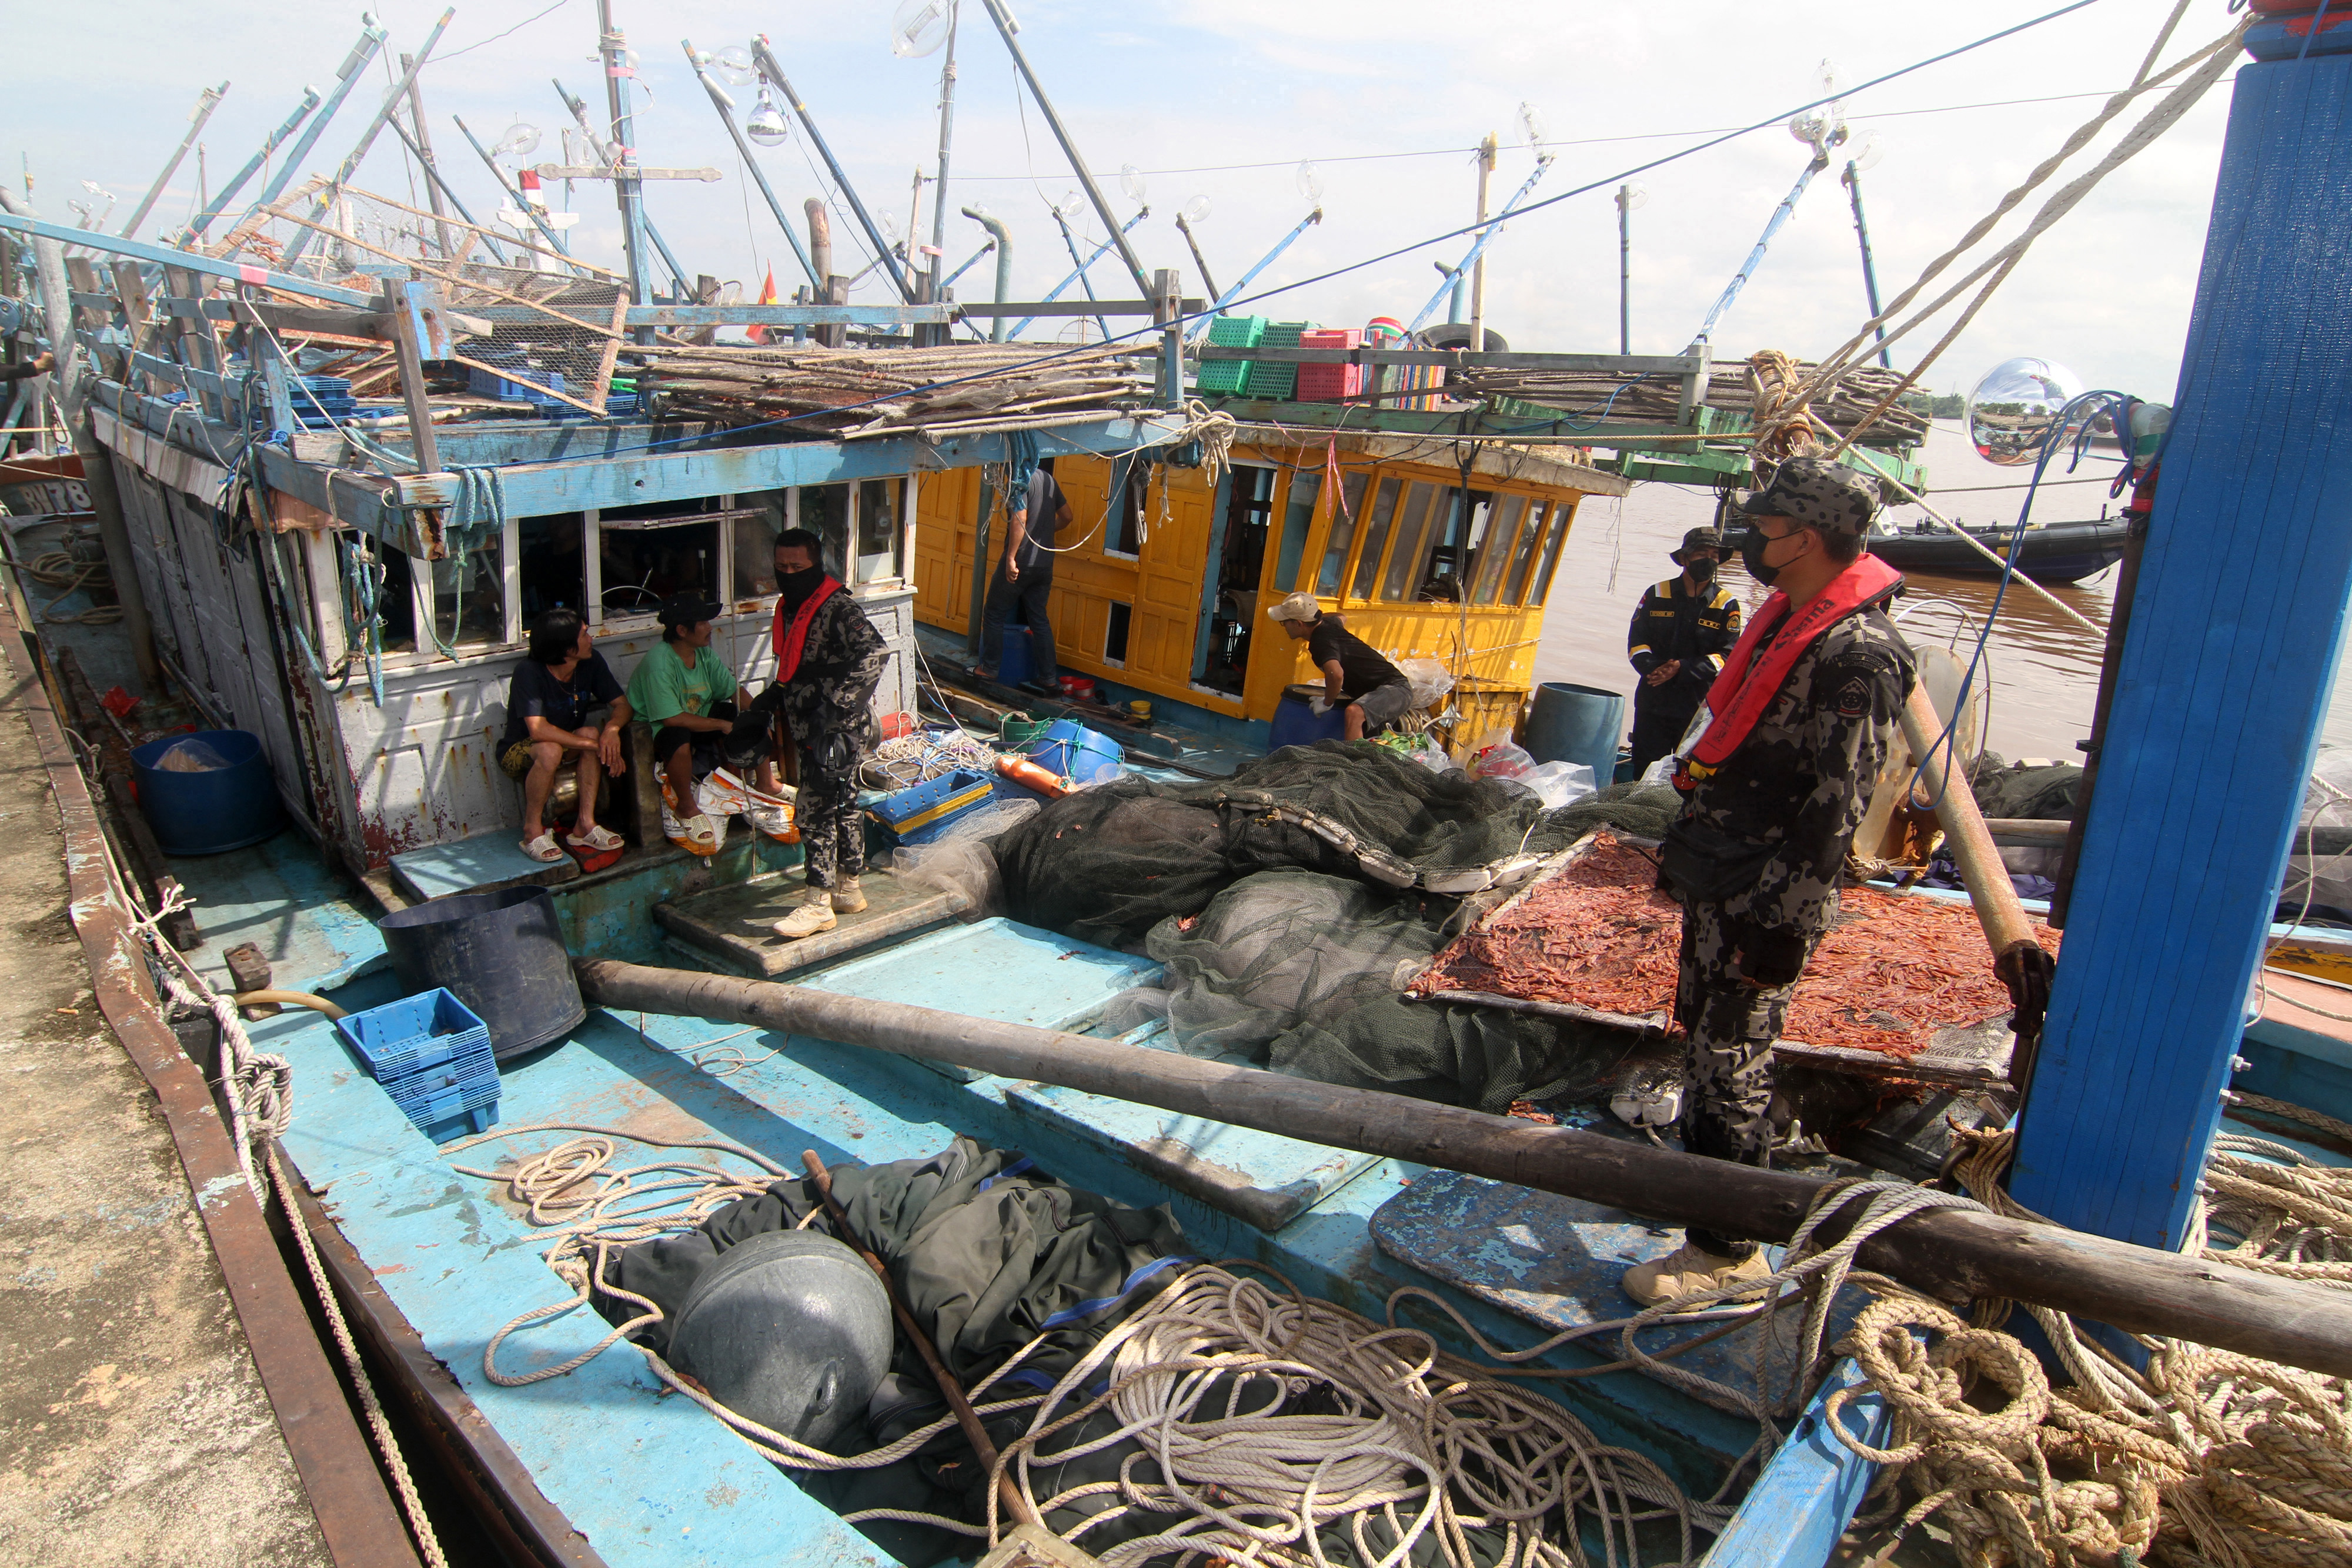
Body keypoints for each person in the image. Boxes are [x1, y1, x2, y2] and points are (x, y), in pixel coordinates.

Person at [1626, 457, 1918, 1306]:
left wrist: (1782, 925)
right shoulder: (1789, 619)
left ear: (1808, 537)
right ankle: (1705, 1202)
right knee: (1703, 1037)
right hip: (1722, 869)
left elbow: (1838, 807)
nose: (1754, 541)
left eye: (1768, 527)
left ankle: (1727, 1249)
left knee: (1734, 1054)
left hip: (1766, 897)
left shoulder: (1856, 652)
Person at [763, 528, 892, 941]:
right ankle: (848, 887)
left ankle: (817, 901)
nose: (788, 573)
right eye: (781, 567)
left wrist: (837, 706)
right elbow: (794, 662)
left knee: (816, 806)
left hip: (836, 727)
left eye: (797, 567)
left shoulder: (837, 608)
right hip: (805, 721)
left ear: (816, 564)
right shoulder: (787, 607)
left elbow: (876, 651)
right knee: (843, 802)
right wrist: (769, 700)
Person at [500, 609, 631, 862]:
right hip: (520, 750)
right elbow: (538, 731)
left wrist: (611, 731)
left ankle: (585, 825)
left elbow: (623, 705)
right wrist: (595, 746)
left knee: (591, 731)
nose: (591, 638)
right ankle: (532, 831)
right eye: (584, 634)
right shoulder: (529, 671)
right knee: (553, 748)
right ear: (566, 647)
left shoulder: (591, 662)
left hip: (565, 743)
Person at [624, 593, 744, 854]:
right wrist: (720, 725)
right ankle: (686, 807)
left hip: (698, 718)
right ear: (681, 630)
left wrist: (757, 714)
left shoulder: (703, 653)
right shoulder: (660, 662)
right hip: (658, 728)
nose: (710, 627)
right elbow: (671, 718)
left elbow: (732, 689)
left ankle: (755, 785)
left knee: (735, 714)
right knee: (678, 735)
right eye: (702, 622)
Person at [1625, 527, 1743, 776]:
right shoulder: (1656, 594)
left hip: (1697, 707)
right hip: (1653, 701)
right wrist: (1656, 669)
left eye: (1714, 555)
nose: (1709, 560)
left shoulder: (1726, 604)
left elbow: (1727, 656)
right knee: (1644, 774)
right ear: (1684, 559)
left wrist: (1682, 669)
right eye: (1701, 553)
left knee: (1686, 777)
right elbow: (1637, 644)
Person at [975, 456, 1072, 696]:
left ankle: (990, 668)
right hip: (1044, 564)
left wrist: (1011, 558)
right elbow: (1068, 517)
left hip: (1022, 561)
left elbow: (1021, 519)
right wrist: (1047, 532)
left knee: (994, 613)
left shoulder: (1019, 481)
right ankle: (1049, 678)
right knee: (1039, 619)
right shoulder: (1049, 480)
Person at [1263, 590, 1415, 741]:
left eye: (1284, 622)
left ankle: (1351, 764)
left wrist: (1327, 702)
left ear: (1298, 624)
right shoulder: (1329, 624)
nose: (1283, 626)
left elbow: (1336, 674)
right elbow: (1342, 617)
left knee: (1354, 713)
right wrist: (1317, 616)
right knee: (1369, 737)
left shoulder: (1321, 643)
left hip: (1396, 689)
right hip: (1375, 691)